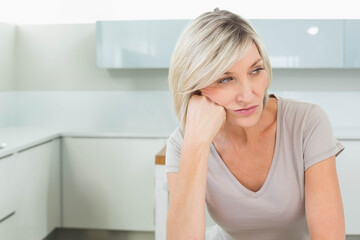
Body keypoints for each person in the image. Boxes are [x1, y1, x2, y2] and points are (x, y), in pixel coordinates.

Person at [165, 8, 345, 240]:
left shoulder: (307, 123)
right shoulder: (182, 143)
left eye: (256, 70)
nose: (248, 95)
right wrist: (196, 144)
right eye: (225, 79)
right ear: (194, 86)